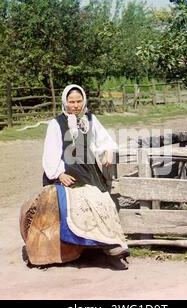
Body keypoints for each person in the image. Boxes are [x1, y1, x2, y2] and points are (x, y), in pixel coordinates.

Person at [41, 84, 129, 270]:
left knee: (104, 201)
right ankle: (104, 246)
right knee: (84, 201)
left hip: (88, 171)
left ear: (84, 101)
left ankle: (113, 246)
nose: (75, 105)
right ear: (65, 102)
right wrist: (59, 174)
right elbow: (51, 153)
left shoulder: (90, 119)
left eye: (79, 101)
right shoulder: (56, 124)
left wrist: (107, 151)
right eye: (71, 102)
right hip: (67, 171)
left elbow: (104, 139)